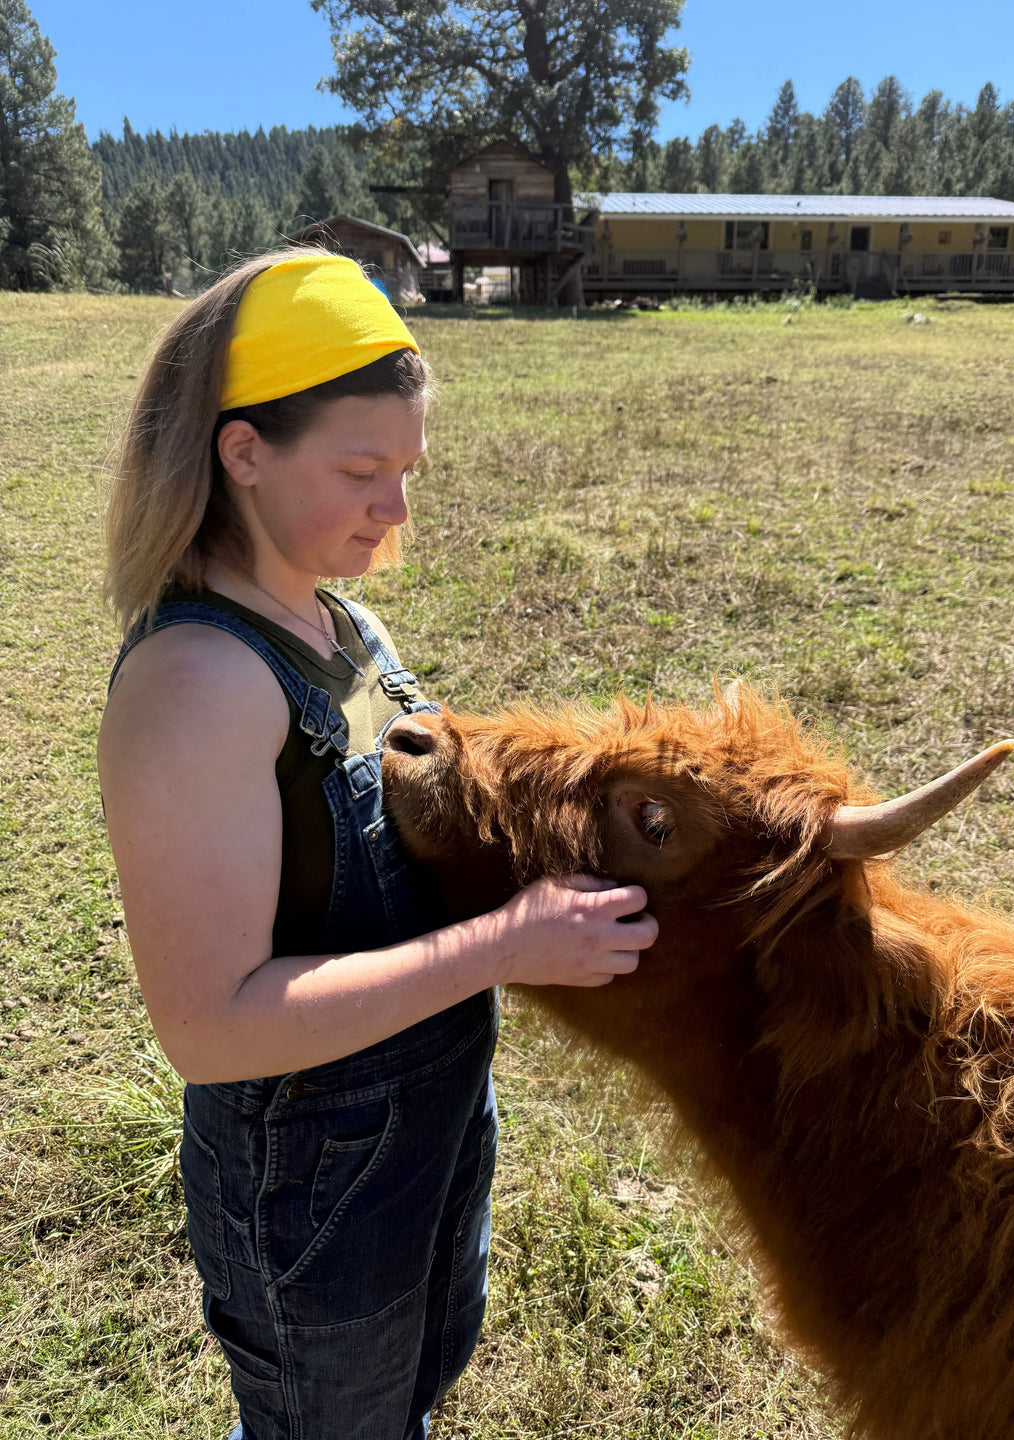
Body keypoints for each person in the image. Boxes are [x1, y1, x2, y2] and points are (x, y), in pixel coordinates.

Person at [97, 248, 658, 1440]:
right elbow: (209, 1028)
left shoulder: (335, 614)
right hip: (315, 1180)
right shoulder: (197, 683)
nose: (395, 510)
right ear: (242, 450)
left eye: (406, 470)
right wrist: (504, 945)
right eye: (360, 470)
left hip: (424, 1124)